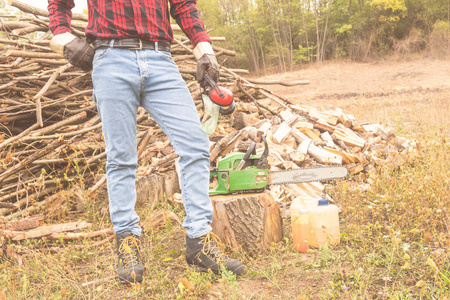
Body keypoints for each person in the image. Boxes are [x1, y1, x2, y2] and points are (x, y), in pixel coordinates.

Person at [47, 0, 244, 284]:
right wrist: (64, 38)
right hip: (110, 57)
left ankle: (199, 241)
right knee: (121, 157)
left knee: (195, 144)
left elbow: (184, 5)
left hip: (160, 59)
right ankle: (127, 240)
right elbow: (59, 3)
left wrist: (205, 49)